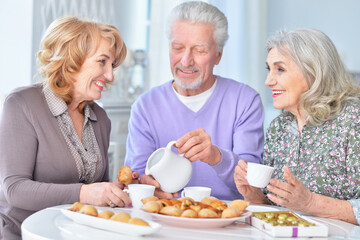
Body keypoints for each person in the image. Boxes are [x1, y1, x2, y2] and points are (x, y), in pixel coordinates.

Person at [0, 17, 135, 239]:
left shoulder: (101, 118)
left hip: (74, 233)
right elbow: (14, 189)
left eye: (112, 65)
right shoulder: (22, 104)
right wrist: (84, 193)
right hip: (22, 233)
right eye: (102, 62)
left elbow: (99, 192)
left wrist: (126, 189)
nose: (110, 75)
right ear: (72, 59)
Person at [125, 1, 264, 200]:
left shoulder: (245, 101)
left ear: (218, 55)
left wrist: (217, 157)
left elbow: (252, 185)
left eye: (199, 50)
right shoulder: (145, 106)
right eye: (178, 48)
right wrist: (145, 185)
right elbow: (135, 177)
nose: (186, 61)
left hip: (227, 221)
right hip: (166, 217)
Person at [234, 28, 360, 225]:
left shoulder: (353, 120)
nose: (268, 81)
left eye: (280, 69)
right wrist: (254, 196)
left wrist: (310, 202)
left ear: (314, 71)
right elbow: (276, 208)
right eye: (269, 69)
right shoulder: (279, 127)